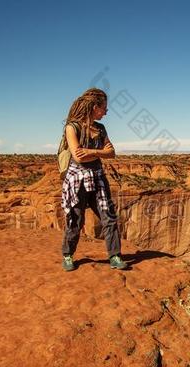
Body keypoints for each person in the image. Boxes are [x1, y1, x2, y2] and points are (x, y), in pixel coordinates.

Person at [60, 87, 128, 271]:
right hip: (77, 180)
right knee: (76, 219)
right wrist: (100, 153)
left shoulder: (101, 128)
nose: (106, 111)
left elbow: (111, 152)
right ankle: (67, 255)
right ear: (94, 107)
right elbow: (78, 156)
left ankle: (114, 256)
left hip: (98, 178)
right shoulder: (72, 127)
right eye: (104, 107)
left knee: (109, 217)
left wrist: (92, 152)